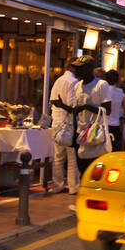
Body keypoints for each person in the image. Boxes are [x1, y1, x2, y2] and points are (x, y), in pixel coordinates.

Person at [69, 60, 111, 181]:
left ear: (88, 68)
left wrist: (86, 107)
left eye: (79, 68)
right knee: (82, 169)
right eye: (76, 68)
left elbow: (107, 110)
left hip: (95, 134)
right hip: (81, 133)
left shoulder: (101, 85)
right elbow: (76, 110)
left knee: (95, 171)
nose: (76, 71)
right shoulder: (77, 86)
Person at [49, 57, 80, 194]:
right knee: (72, 156)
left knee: (58, 156)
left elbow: (52, 101)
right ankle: (73, 186)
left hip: (56, 122)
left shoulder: (58, 80)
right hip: (68, 124)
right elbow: (73, 106)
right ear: (73, 67)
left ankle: (57, 185)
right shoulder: (73, 82)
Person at [103, 69, 125, 152]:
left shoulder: (104, 91)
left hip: (105, 124)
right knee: (114, 149)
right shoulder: (120, 92)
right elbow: (123, 109)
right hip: (116, 124)